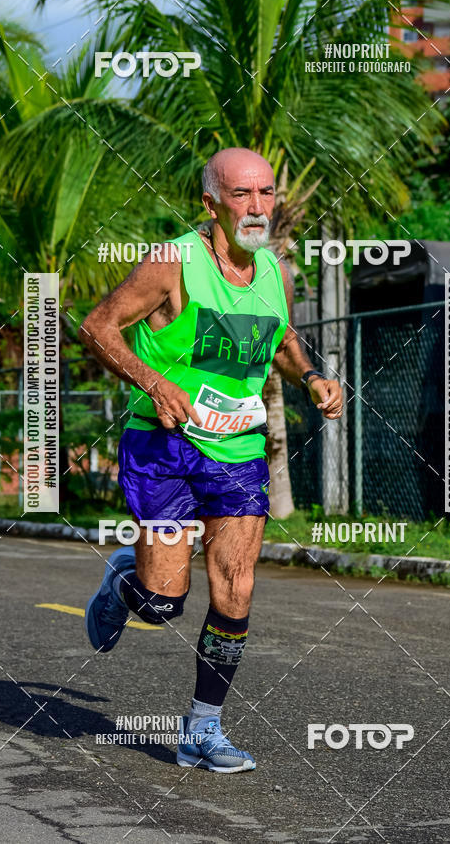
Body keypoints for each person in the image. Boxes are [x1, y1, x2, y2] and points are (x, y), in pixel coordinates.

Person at [79, 147, 343, 772]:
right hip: (165, 445)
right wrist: (154, 383)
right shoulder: (172, 262)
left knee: (235, 589)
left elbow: (280, 337)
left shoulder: (274, 271)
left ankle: (203, 728)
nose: (257, 207)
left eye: (266, 193)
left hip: (239, 450)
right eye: (242, 194)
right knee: (161, 603)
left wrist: (311, 376)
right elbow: (97, 327)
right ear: (211, 203)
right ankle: (124, 579)